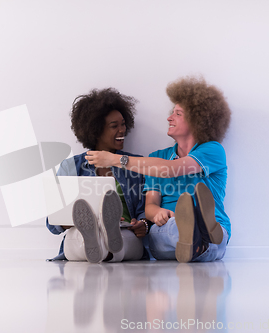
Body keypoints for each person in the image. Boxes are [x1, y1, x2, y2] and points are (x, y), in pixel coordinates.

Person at [85, 76, 231, 263]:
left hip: (215, 230)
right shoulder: (158, 156)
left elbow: (171, 169)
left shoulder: (212, 150)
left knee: (211, 239)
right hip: (169, 230)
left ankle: (200, 232)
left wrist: (114, 159)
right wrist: (158, 213)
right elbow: (150, 206)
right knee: (165, 231)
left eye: (178, 113)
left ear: (197, 119)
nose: (169, 118)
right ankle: (196, 235)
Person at [46, 88, 148, 263]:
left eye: (123, 124)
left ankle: (106, 239)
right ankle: (99, 239)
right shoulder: (71, 166)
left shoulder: (134, 164)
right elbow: (53, 224)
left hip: (125, 232)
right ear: (95, 130)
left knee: (121, 240)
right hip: (81, 232)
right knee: (81, 237)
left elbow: (144, 212)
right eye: (114, 126)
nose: (122, 130)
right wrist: (76, 220)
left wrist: (143, 225)